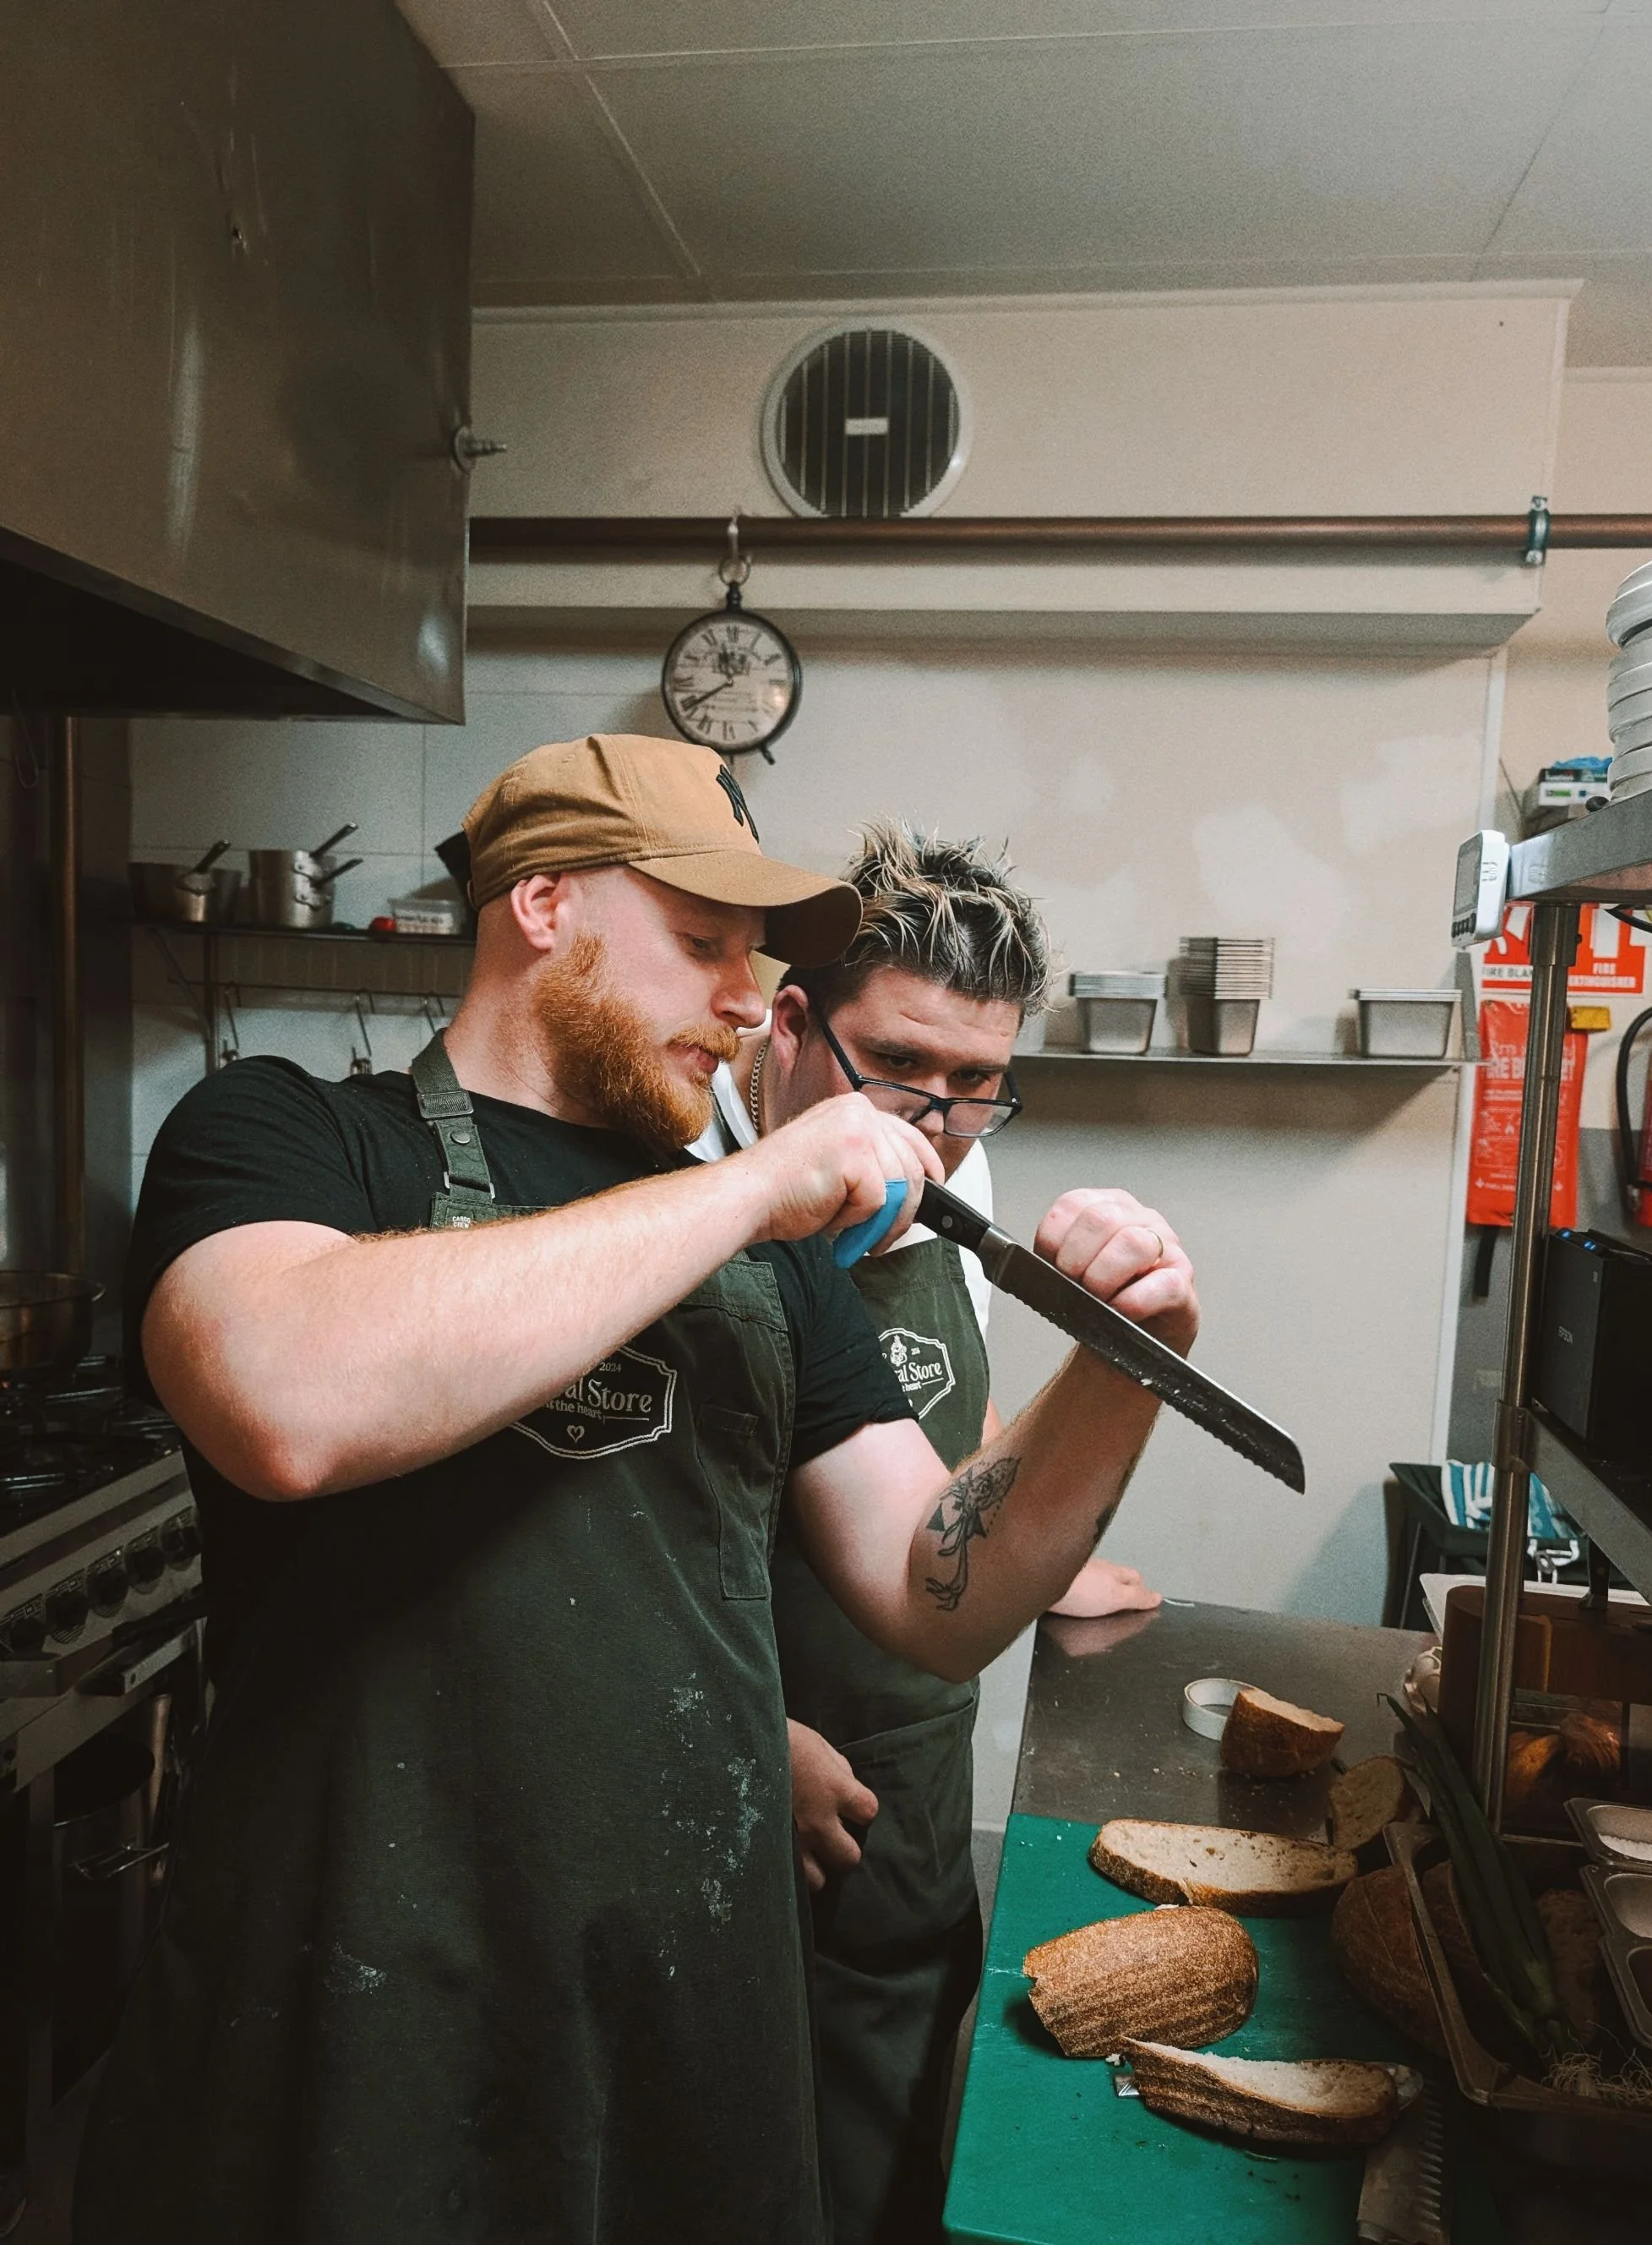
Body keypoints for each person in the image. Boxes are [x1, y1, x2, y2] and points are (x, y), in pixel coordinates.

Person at [75, 735, 1198, 2245]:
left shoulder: (777, 1266)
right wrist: (744, 1187)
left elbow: (940, 1592)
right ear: (542, 905)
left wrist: (1117, 1368)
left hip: (685, 2020)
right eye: (702, 942)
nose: (747, 999)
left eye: (754, 956)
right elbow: (288, 1401)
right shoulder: (289, 1133)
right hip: (360, 2008)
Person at [692, 824, 1158, 2244]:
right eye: (898, 1067)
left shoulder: (960, 1177)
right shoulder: (672, 1187)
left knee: (890, 2155)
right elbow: (572, 1531)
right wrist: (740, 1729)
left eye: (975, 1084)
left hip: (911, 1760)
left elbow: (949, 1404)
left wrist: (1036, 1535)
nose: (935, 1120)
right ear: (787, 1028)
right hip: (734, 1782)